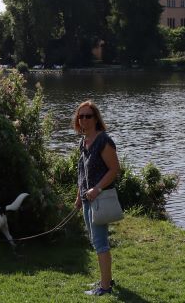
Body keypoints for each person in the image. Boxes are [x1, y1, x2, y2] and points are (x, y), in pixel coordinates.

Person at [73, 100, 120, 296]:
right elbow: (82, 173)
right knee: (95, 240)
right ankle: (105, 279)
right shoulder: (83, 142)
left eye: (88, 116)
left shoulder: (104, 141)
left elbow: (115, 169)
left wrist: (97, 189)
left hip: (99, 199)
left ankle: (105, 287)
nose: (84, 119)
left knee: (100, 242)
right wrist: (78, 196)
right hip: (86, 200)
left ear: (96, 118)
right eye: (81, 116)